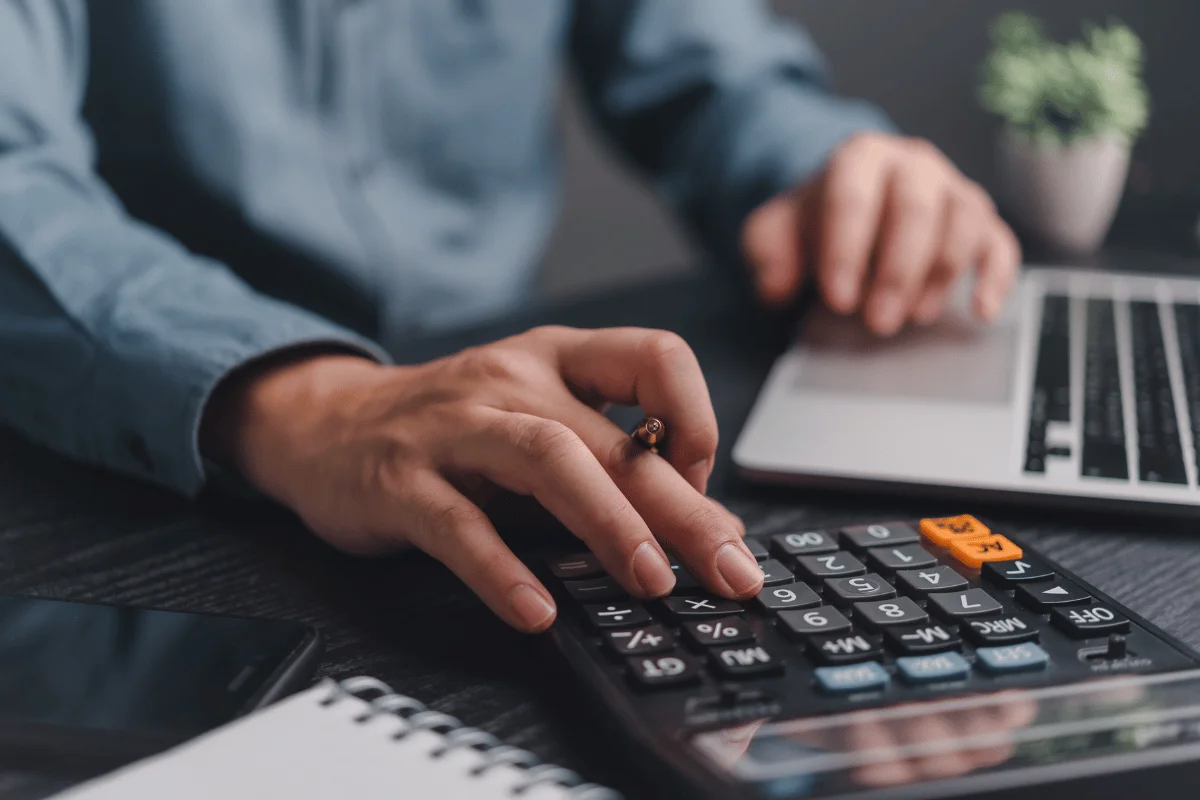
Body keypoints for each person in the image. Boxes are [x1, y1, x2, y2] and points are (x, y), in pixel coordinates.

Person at [0, 2, 1019, 633]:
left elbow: (718, 72)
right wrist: (310, 398)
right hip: (121, 488)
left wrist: (830, 172)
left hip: (518, 453)